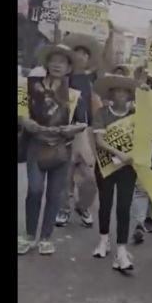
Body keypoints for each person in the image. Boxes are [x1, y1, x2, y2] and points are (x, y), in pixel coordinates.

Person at [18, 45, 87, 255]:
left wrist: (71, 129)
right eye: (54, 60)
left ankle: (46, 237)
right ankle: (29, 235)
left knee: (54, 195)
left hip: (61, 150)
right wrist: (25, 121)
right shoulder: (30, 86)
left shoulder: (74, 95)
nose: (57, 65)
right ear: (47, 64)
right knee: (34, 190)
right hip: (36, 146)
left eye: (62, 62)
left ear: (69, 68)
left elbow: (82, 123)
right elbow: (21, 110)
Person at [90, 72, 141, 274]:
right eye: (116, 91)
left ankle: (121, 249)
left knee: (123, 207)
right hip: (106, 166)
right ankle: (103, 240)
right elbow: (99, 141)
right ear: (111, 94)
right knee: (105, 204)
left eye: (124, 91)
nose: (120, 94)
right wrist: (120, 153)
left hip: (128, 169)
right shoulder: (102, 113)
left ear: (129, 95)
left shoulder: (136, 115)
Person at [54, 34, 102, 229]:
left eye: (85, 53)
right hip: (64, 130)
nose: (81, 56)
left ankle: (82, 207)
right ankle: (63, 209)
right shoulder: (62, 78)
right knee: (65, 175)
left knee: (91, 178)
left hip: (85, 132)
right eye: (77, 52)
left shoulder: (92, 79)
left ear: (88, 59)